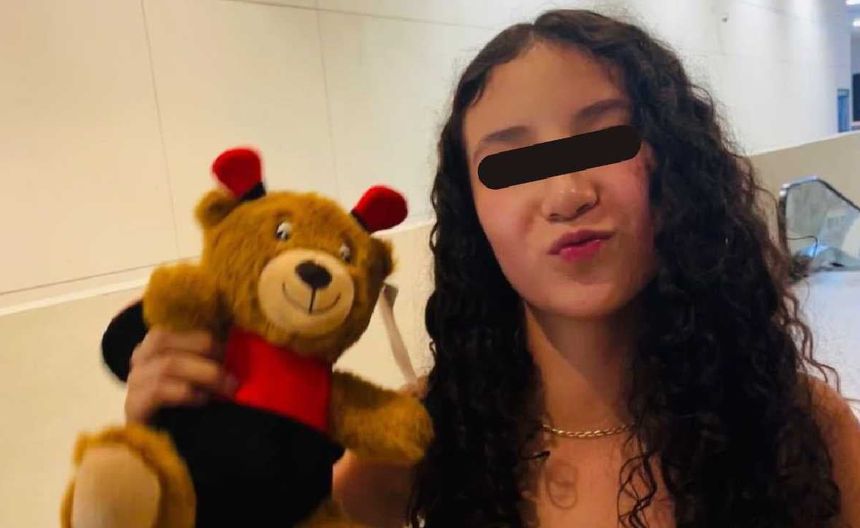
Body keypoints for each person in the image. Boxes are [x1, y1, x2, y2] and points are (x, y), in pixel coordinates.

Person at [105, 9, 860, 528]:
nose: (567, 194)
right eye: (513, 164)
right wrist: (172, 467)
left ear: (673, 171)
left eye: (603, 141)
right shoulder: (417, 442)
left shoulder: (798, 428)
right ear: (472, 215)